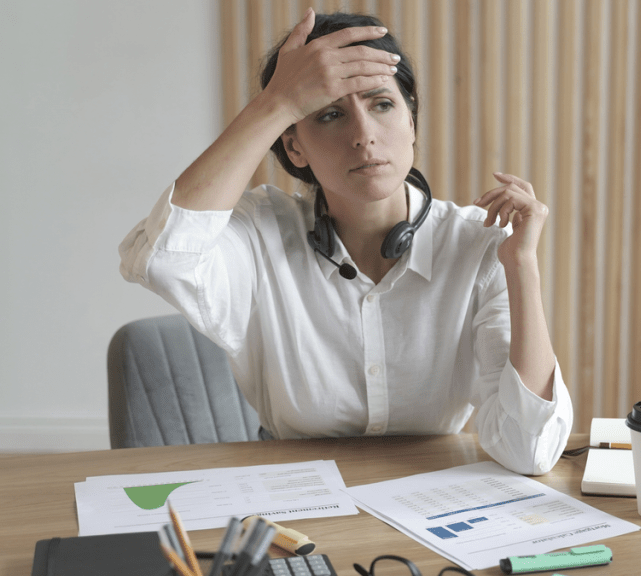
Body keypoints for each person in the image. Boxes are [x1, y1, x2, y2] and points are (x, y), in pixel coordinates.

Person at [119, 9, 572, 475]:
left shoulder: (479, 243)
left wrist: (522, 268)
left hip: (427, 496)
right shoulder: (259, 232)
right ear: (294, 146)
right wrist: (277, 103)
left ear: (411, 122)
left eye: (382, 105)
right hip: (293, 497)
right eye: (331, 114)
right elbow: (165, 260)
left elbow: (529, 450)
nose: (363, 135)